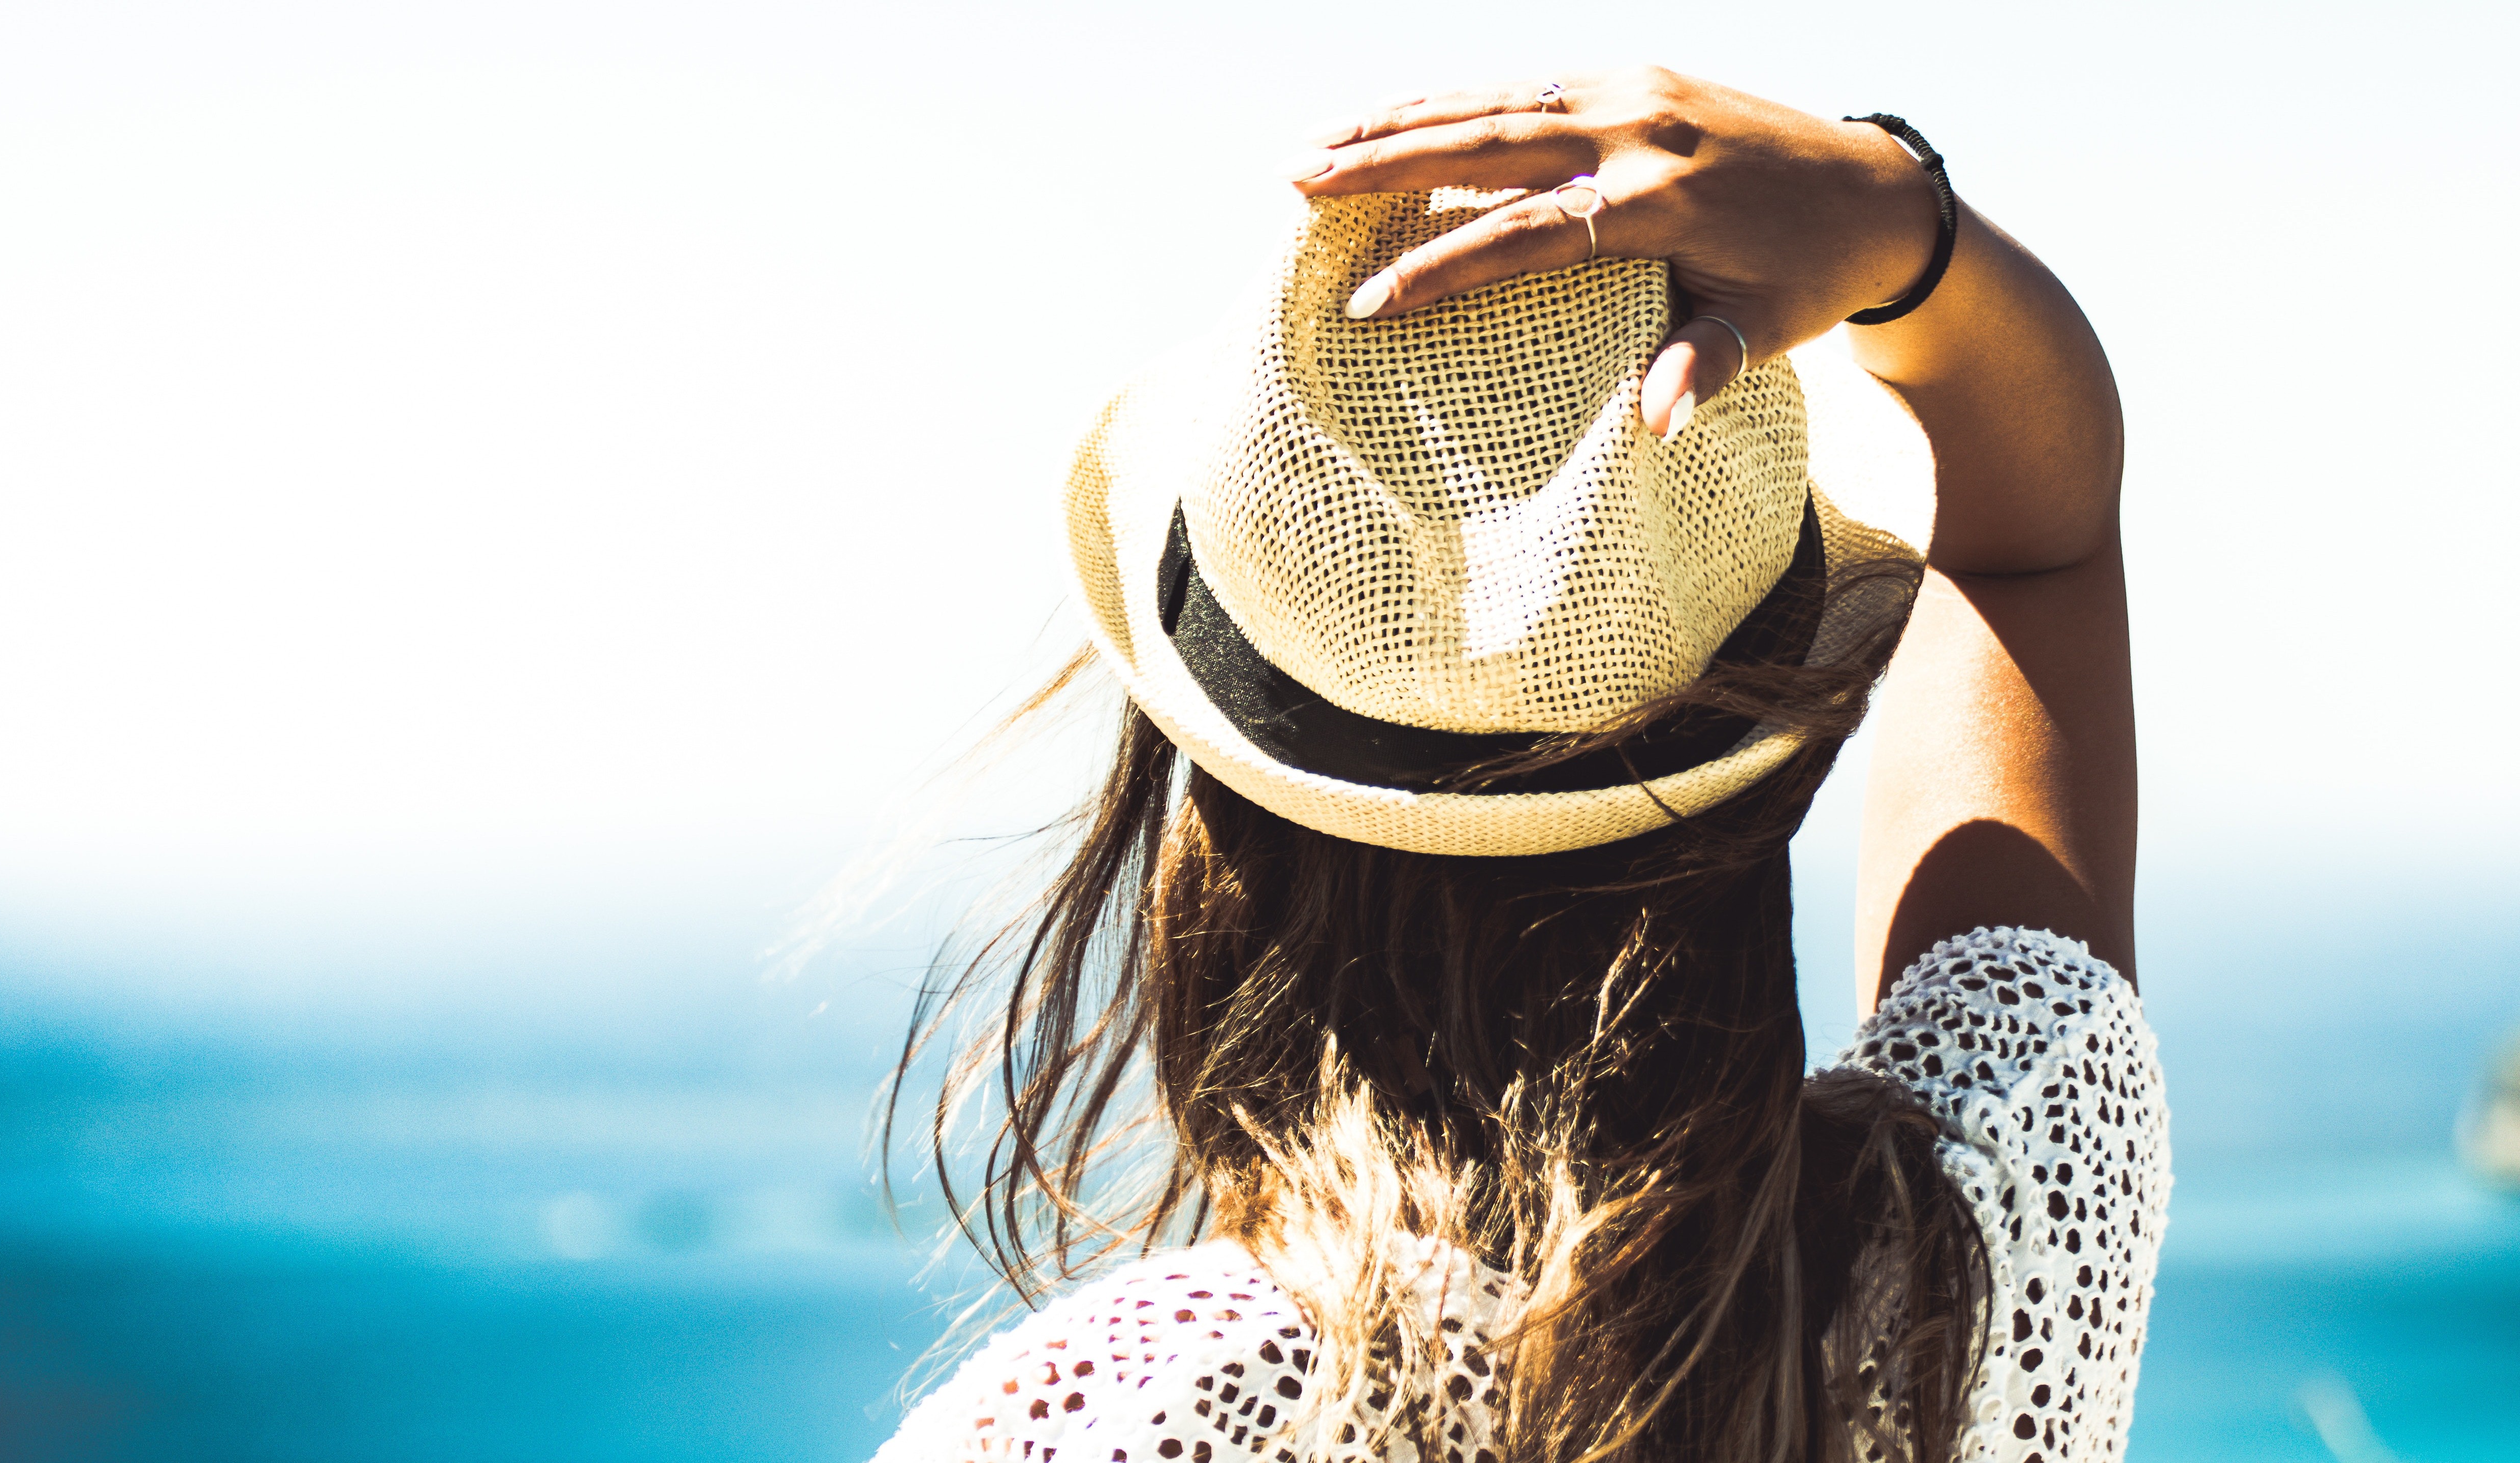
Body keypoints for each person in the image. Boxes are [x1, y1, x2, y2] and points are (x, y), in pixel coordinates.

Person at [872, 67, 2163, 1463]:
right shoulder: (1987, 1256)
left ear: (1210, 799)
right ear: (1783, 762)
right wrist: (1899, 211)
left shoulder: (1116, 1416)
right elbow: (2032, 551)